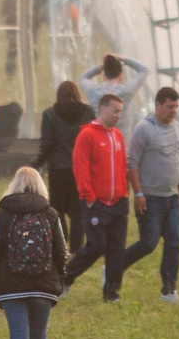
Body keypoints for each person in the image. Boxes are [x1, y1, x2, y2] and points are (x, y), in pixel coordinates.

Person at [0, 165, 70, 339]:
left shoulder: (4, 212)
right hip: (43, 285)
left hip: (11, 285)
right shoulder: (50, 213)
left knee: (18, 337)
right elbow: (61, 251)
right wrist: (59, 278)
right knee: (39, 334)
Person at [117, 85, 179, 302]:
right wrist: (138, 194)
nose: (174, 110)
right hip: (150, 198)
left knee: (174, 242)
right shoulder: (144, 129)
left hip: (172, 198)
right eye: (170, 106)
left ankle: (168, 290)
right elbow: (132, 164)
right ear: (158, 105)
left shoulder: (177, 128)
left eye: (176, 106)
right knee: (148, 243)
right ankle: (114, 268)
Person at [60, 91, 132, 302]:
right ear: (102, 109)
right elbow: (80, 167)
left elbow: (121, 168)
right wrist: (88, 196)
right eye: (115, 111)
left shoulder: (117, 136)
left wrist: (124, 193)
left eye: (121, 111)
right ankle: (65, 277)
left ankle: (111, 292)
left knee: (117, 249)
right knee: (97, 246)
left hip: (118, 202)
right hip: (96, 202)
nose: (118, 115)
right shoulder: (88, 135)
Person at [35, 80, 94, 245]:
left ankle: (62, 243)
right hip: (81, 168)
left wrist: (37, 163)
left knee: (57, 209)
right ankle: (76, 248)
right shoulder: (88, 112)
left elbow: (46, 144)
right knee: (78, 211)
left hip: (58, 168)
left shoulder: (50, 114)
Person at [78, 52, 150, 128]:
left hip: (100, 137)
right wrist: (122, 58)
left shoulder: (93, 91)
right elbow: (144, 70)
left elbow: (82, 78)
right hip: (122, 139)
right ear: (121, 76)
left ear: (104, 76)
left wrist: (102, 67)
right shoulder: (126, 91)